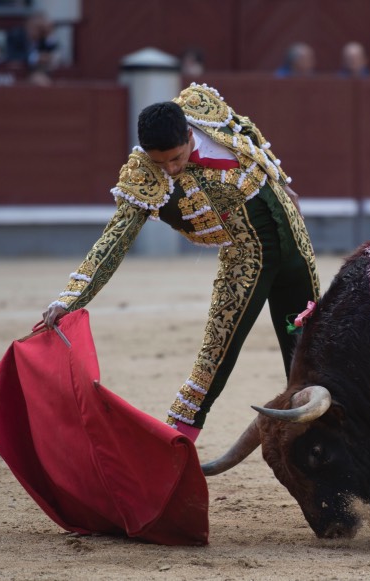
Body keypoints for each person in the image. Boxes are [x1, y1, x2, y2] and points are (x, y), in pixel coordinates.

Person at [41, 83, 320, 442]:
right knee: (214, 357)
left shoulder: (202, 105)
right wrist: (70, 298)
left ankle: (323, 441)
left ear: (189, 135)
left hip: (294, 240)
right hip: (245, 259)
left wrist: (281, 181)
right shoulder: (143, 176)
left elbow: (247, 133)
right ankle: (175, 444)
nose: (170, 169)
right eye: (160, 162)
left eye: (176, 158)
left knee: (310, 348)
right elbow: (114, 240)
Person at [5, 11, 59, 85]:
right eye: (36, 27)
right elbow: (12, 56)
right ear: (28, 25)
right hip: (16, 76)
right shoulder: (16, 35)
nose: (38, 31)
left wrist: (49, 34)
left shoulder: (43, 39)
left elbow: (54, 54)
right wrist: (36, 58)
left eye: (41, 28)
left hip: (39, 74)